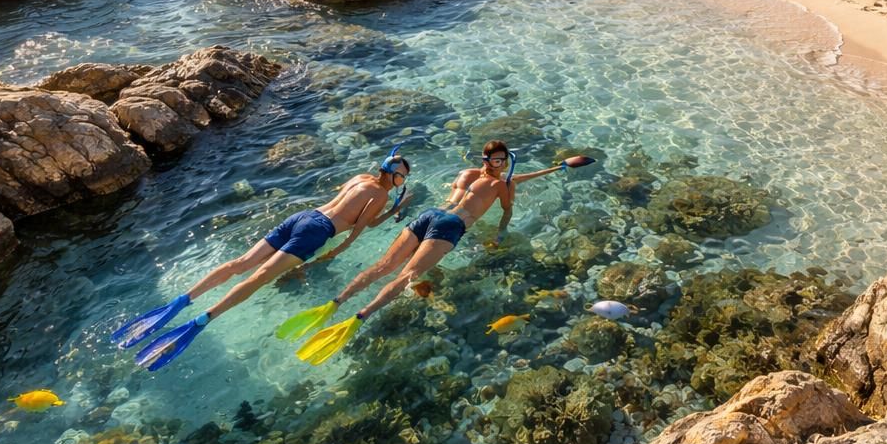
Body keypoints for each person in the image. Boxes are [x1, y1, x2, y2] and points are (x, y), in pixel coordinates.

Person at [289, 141, 589, 362]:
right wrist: (501, 233)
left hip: (430, 214)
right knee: (409, 275)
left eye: (502, 160)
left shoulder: (466, 172)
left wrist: (549, 169)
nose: (500, 164)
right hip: (451, 225)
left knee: (383, 266)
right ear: (494, 161)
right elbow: (506, 207)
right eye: (499, 160)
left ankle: (334, 302)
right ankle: (358, 317)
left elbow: (496, 181)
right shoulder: (502, 185)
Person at [114, 154, 413, 368]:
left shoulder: (359, 178)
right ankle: (203, 319)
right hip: (318, 231)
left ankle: (183, 300)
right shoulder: (381, 196)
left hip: (304, 216)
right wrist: (337, 250)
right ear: (397, 178)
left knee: (242, 263)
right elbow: (359, 228)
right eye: (403, 177)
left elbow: (344, 204)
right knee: (258, 279)